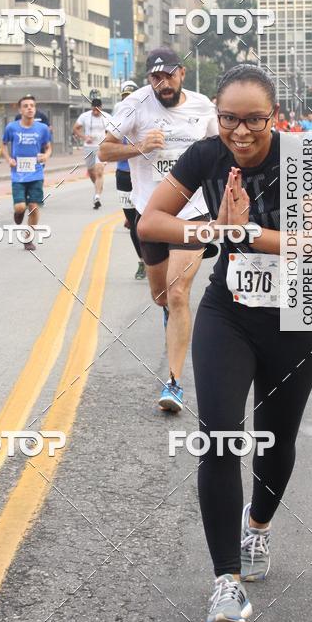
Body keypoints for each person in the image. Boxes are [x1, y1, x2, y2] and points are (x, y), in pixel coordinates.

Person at [138, 63, 312, 622]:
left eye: (254, 120)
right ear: (218, 117)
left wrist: (253, 233)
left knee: (276, 441)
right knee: (221, 437)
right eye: (230, 118)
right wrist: (216, 232)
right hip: (227, 313)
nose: (241, 131)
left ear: (272, 117)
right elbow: (151, 223)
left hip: (295, 312)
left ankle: (258, 527)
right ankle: (225, 582)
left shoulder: (302, 158)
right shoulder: (206, 156)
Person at [99, 47, 219, 413]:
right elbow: (103, 152)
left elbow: (220, 147)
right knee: (161, 296)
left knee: (179, 292)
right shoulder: (134, 106)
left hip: (193, 213)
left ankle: (174, 383)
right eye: (155, 78)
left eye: (168, 76)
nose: (161, 83)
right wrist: (136, 147)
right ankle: (172, 317)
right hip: (150, 215)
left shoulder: (202, 107)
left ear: (182, 73)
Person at [1, 95, 52, 251]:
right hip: (18, 174)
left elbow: (48, 147)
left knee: (34, 207)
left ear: (35, 109)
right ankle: (18, 213)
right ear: (20, 109)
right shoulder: (11, 127)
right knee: (20, 207)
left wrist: (46, 156)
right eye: (26, 106)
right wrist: (8, 158)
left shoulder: (42, 129)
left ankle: (28, 239)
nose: (29, 108)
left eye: (32, 105)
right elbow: (3, 144)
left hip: (36, 173)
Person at [115, 80, 145, 280]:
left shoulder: (148, 117)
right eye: (125, 98)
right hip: (124, 174)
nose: (129, 102)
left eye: (131, 97)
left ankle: (157, 260)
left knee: (143, 220)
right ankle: (142, 261)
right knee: (133, 223)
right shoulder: (117, 120)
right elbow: (108, 147)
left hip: (144, 176)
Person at [73, 98, 108, 209]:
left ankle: (97, 196)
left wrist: (107, 139)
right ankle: (97, 186)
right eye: (94, 110)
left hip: (101, 148)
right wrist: (84, 137)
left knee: (99, 171)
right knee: (91, 171)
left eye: (98, 110)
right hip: (88, 147)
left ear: (101, 108)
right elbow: (76, 129)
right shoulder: (85, 116)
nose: (96, 112)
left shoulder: (107, 117)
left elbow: (113, 131)